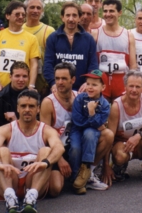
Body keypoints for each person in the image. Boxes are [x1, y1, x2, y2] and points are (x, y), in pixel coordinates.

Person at [0, 89, 65, 213]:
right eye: (23, 106)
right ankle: (10, 197)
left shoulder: (46, 130)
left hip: (33, 180)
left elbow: (59, 147)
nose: (27, 109)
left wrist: (45, 163)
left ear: (38, 109)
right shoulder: (6, 129)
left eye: (31, 106)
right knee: (2, 151)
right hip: (11, 179)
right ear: (17, 108)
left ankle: (31, 199)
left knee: (46, 151)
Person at [40, 63, 112, 195]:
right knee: (56, 188)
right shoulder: (48, 102)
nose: (59, 82)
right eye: (57, 78)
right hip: (60, 150)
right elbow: (43, 136)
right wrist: (59, 159)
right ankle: (74, 177)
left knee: (107, 134)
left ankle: (86, 173)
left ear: (73, 80)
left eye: (64, 79)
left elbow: (100, 122)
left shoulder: (78, 96)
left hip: (79, 143)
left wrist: (106, 164)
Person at [102, 70, 142, 185]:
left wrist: (138, 136)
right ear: (125, 87)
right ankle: (120, 165)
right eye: (131, 86)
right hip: (122, 144)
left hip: (141, 141)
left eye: (138, 87)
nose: (134, 90)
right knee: (119, 157)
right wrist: (106, 166)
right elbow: (110, 138)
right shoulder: (116, 106)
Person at [69, 69, 111, 194]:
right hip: (77, 130)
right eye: (88, 84)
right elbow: (77, 121)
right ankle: (76, 176)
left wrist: (92, 113)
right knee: (75, 148)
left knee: (89, 134)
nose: (90, 87)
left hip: (91, 131)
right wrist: (93, 121)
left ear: (103, 87)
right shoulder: (79, 99)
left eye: (94, 84)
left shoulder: (105, 105)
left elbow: (99, 124)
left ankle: (86, 170)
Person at [43, 2, 98, 93]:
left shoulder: (89, 39)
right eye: (68, 15)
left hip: (82, 91)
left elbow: (93, 65)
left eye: (74, 15)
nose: (71, 19)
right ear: (62, 17)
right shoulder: (53, 38)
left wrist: (89, 83)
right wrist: (53, 83)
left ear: (79, 18)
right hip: (58, 90)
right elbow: (48, 64)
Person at [0, 0, 40, 92]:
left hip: (22, 88)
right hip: (0, 88)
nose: (20, 17)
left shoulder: (32, 38)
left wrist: (31, 85)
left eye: (23, 15)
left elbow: (34, 64)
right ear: (7, 16)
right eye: (17, 14)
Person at [91, 0, 137, 102]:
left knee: (121, 114)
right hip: (101, 79)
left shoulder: (129, 35)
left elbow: (133, 65)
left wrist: (132, 83)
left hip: (121, 80)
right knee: (101, 114)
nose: (107, 14)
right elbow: (92, 61)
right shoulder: (95, 34)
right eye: (105, 11)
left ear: (119, 13)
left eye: (111, 11)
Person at [23, 0, 55, 99]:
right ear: (25, 9)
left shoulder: (48, 31)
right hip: (20, 80)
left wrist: (47, 83)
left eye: (38, 8)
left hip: (42, 84)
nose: (35, 11)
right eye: (32, 7)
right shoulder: (19, 29)